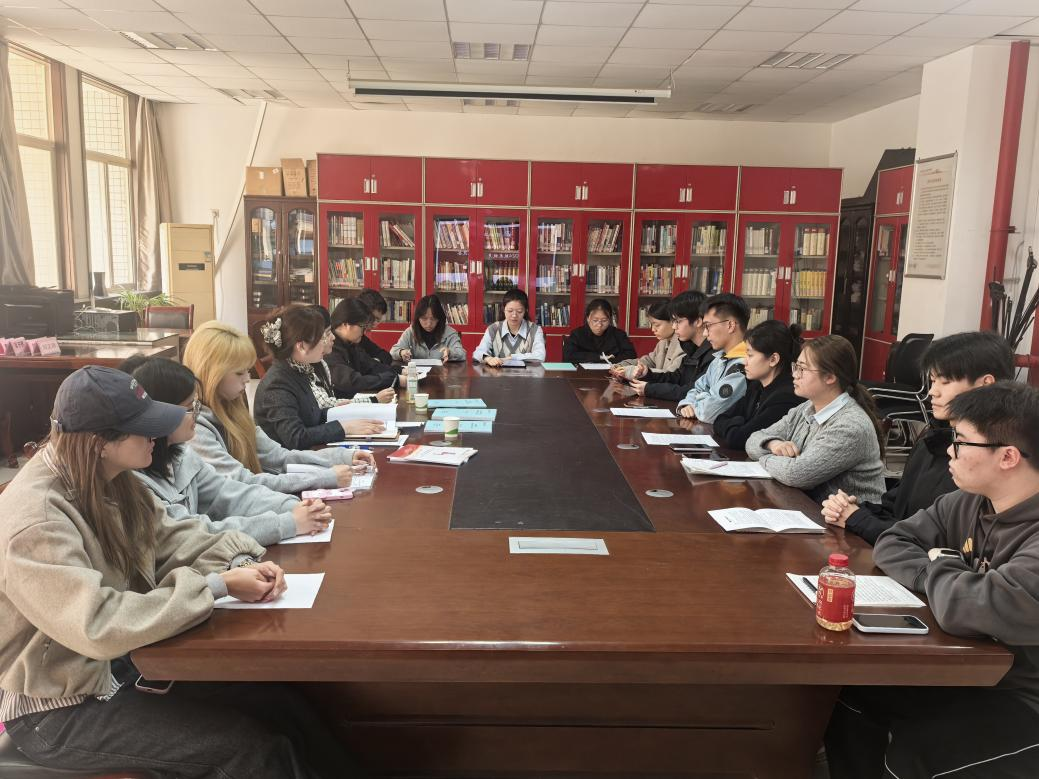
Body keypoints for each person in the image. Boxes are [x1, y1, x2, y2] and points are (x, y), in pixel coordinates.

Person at [0, 366, 357, 778]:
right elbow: (96, 624)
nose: (158, 434)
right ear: (100, 443)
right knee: (247, 749)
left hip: (121, 666)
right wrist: (216, 586)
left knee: (282, 705)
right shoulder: (38, 520)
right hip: (58, 705)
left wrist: (241, 563)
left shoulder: (111, 478)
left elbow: (175, 535)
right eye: (144, 428)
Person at [825, 381, 1039, 779]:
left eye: (961, 441)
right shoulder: (969, 500)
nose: (949, 451)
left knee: (918, 752)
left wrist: (944, 566)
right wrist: (942, 570)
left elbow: (975, 605)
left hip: (1022, 694)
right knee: (854, 693)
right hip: (970, 671)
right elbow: (893, 541)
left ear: (1008, 456)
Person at [822, 330, 1015, 544]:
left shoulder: (989, 458)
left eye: (945, 382)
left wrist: (857, 519)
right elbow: (895, 508)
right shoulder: (932, 440)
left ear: (985, 384)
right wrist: (851, 509)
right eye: (932, 381)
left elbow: (934, 540)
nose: (932, 392)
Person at [124, 356, 333, 546]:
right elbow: (193, 532)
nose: (197, 413)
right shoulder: (135, 479)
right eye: (189, 407)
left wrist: (294, 506)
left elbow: (230, 494)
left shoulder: (183, 454)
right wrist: (287, 522)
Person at [182, 321, 375, 493]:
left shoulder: (233, 411)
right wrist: (324, 477)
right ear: (212, 374)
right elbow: (241, 483)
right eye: (240, 373)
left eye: (247, 371)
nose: (248, 379)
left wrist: (342, 457)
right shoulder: (195, 429)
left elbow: (279, 456)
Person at [746, 334, 886, 503]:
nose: (795, 374)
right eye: (796, 366)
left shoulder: (850, 426)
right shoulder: (806, 408)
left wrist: (764, 457)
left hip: (849, 517)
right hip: (809, 506)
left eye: (803, 369)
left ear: (830, 377)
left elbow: (796, 474)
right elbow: (753, 440)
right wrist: (773, 444)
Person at [253, 305, 386, 449]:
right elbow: (296, 437)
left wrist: (346, 414)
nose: (328, 340)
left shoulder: (298, 369)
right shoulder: (277, 384)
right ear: (301, 346)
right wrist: (344, 428)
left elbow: (312, 415)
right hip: (289, 460)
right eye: (322, 337)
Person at [712, 320, 802, 450]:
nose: (745, 362)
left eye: (750, 355)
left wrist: (737, 422)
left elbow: (739, 439)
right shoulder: (756, 386)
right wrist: (739, 424)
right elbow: (719, 420)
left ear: (773, 359)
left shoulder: (786, 397)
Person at [677, 292, 750, 422]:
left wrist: (697, 403)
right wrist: (687, 404)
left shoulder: (745, 364)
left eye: (708, 326)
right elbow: (697, 388)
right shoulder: (720, 358)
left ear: (730, 325)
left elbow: (708, 413)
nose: (705, 333)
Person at [630, 290, 714, 401]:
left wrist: (650, 389)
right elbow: (677, 377)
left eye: (678, 321)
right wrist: (648, 374)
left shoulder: (713, 354)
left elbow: (693, 392)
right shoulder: (691, 348)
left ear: (698, 321)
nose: (674, 327)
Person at [325, 297, 397, 399]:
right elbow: (352, 381)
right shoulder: (329, 348)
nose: (364, 332)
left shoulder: (350, 344)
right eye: (362, 327)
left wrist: (397, 373)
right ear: (346, 324)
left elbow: (371, 365)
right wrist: (391, 379)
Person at [472, 287, 546, 365]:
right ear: (504, 309)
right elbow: (478, 353)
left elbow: (540, 356)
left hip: (527, 373)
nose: (514, 315)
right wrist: (488, 358)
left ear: (525, 311)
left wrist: (512, 357)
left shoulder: (535, 330)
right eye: (510, 311)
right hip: (497, 372)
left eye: (519, 311)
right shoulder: (493, 329)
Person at [611, 300, 684, 377]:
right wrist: (622, 365)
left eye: (657, 325)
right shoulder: (663, 342)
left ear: (673, 322)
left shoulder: (682, 346)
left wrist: (635, 370)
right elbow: (649, 361)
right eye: (651, 325)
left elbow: (670, 375)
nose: (653, 329)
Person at [390, 294, 467, 363]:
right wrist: (401, 352)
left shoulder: (449, 333)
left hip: (442, 373)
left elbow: (462, 353)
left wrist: (450, 352)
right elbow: (393, 351)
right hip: (417, 373)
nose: (429, 323)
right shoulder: (411, 331)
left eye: (433, 319)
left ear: (439, 318)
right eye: (424, 318)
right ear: (418, 318)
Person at [562, 298, 637, 364]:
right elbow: (568, 356)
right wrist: (599, 357)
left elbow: (632, 355)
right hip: (583, 373)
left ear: (610, 320)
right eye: (595, 320)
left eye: (604, 320)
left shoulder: (619, 334)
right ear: (588, 318)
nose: (599, 325)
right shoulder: (577, 334)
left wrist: (611, 361)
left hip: (613, 372)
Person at [357, 288, 393, 365]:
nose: (375, 324)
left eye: (378, 320)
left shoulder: (361, 338)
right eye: (374, 318)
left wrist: (375, 361)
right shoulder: (349, 340)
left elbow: (386, 356)